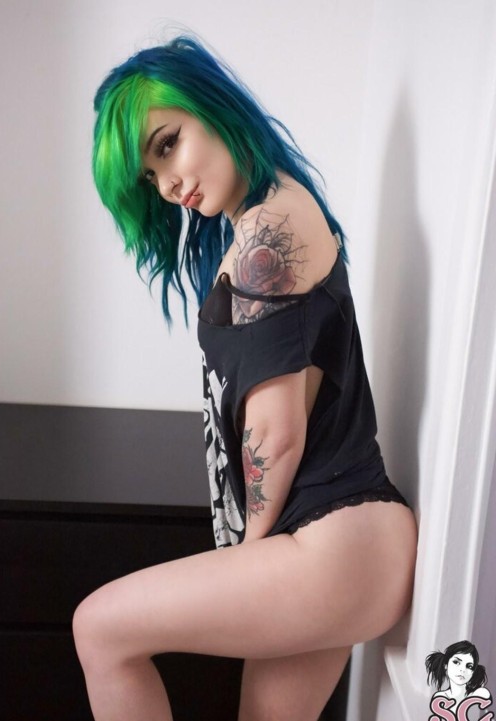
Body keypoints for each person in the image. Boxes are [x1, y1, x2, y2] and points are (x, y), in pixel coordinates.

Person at [73, 34, 418, 721]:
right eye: (150, 175)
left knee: (99, 629)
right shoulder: (270, 212)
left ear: (211, 104)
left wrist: (243, 562)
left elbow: (277, 435)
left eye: (168, 144)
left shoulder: (268, 230)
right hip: (343, 543)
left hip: (333, 543)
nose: (168, 184)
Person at [426, 641, 491, 714]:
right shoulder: (440, 697)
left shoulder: (479, 694)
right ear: (445, 665)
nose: (462, 670)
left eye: (469, 666)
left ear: (473, 672)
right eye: (456, 662)